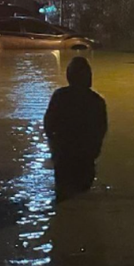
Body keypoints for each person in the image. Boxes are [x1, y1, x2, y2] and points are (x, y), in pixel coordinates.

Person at [44, 57, 107, 202]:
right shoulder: (96, 100)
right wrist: (95, 150)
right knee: (83, 195)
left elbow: (49, 123)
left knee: (63, 196)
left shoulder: (60, 96)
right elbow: (101, 129)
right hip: (85, 155)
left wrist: (54, 146)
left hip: (64, 154)